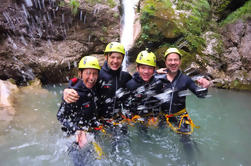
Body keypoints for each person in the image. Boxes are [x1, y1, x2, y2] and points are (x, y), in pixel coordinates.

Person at [156, 48, 210, 135]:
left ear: (180, 62)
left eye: (176, 60)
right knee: (158, 136)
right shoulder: (158, 77)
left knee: (187, 142)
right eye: (170, 60)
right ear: (165, 62)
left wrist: (205, 87)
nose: (173, 62)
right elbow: (141, 82)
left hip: (180, 116)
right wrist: (154, 72)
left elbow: (201, 95)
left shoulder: (186, 79)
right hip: (162, 116)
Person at [57, 56, 101, 148]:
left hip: (91, 128)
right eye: (88, 73)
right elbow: (61, 116)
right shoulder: (73, 94)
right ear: (80, 74)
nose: (92, 78)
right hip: (75, 135)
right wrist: (77, 130)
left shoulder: (96, 87)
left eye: (95, 74)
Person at [122, 50, 162, 128]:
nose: (146, 71)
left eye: (150, 68)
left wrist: (155, 117)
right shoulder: (131, 85)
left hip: (151, 116)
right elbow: (125, 105)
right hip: (136, 118)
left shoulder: (157, 83)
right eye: (143, 68)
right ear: (137, 68)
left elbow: (159, 102)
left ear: (154, 70)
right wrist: (130, 117)